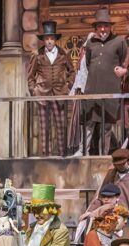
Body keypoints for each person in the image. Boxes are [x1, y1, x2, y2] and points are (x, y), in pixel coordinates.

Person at [79, 8, 127, 156]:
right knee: (88, 123)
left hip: (110, 91)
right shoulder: (91, 43)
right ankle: (84, 153)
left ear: (110, 27)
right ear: (96, 28)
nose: (102, 29)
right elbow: (88, 64)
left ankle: (103, 156)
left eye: (105, 26)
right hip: (92, 90)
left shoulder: (119, 41)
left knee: (106, 126)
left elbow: (124, 61)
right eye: (99, 26)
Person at [27, 20, 75, 156]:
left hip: (59, 94)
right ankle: (46, 156)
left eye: (51, 38)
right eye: (47, 39)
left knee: (61, 126)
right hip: (42, 94)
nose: (49, 41)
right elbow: (30, 76)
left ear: (55, 40)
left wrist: (68, 85)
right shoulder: (37, 54)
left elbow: (72, 71)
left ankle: (62, 155)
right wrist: (34, 90)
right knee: (45, 127)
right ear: (43, 40)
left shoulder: (63, 53)